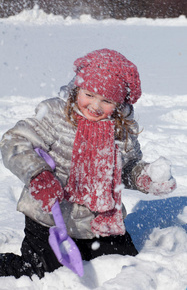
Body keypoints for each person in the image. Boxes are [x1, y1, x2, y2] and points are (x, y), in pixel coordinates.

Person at [0, 48, 176, 279]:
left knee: (123, 265)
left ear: (119, 103)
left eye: (107, 100)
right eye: (89, 95)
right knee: (41, 272)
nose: (95, 106)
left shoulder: (121, 130)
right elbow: (14, 141)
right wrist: (37, 174)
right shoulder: (54, 115)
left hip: (100, 223)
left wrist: (143, 177)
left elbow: (126, 169)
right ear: (76, 88)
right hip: (48, 217)